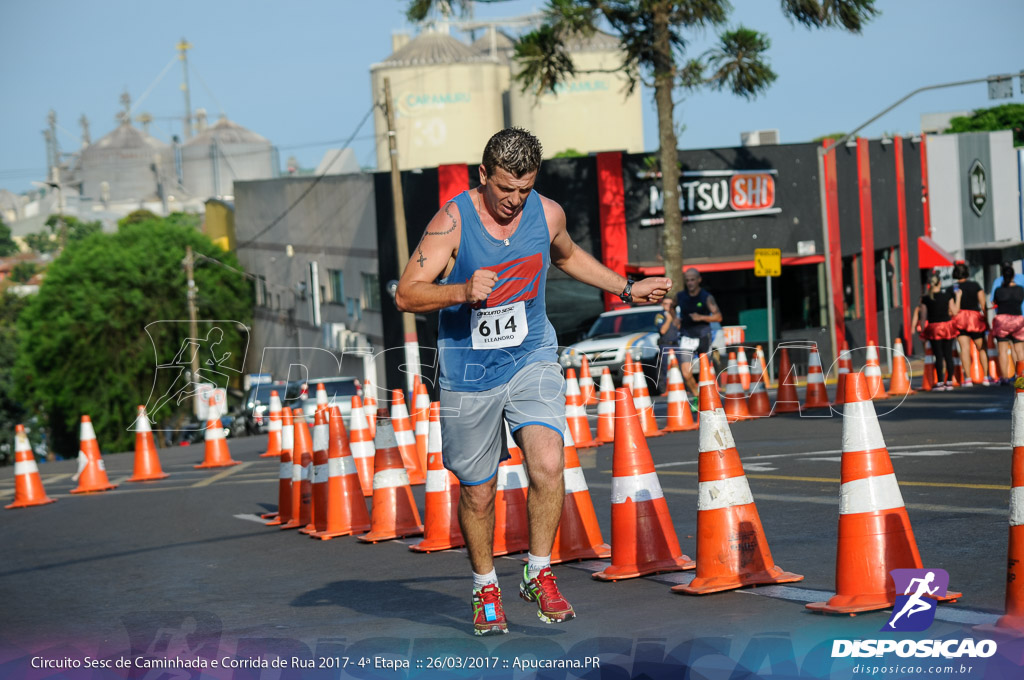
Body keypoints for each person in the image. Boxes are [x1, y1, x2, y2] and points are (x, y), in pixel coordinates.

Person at [394, 127, 671, 636]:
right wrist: (459, 289)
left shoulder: (546, 214)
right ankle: (485, 587)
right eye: (505, 189)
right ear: (484, 176)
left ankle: (537, 572)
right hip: (468, 370)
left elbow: (566, 255)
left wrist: (628, 289)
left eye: (524, 189)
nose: (514, 201)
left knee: (548, 462)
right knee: (479, 493)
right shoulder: (452, 222)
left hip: (531, 354)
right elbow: (407, 295)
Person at [675, 268, 722, 404]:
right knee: (685, 373)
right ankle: (696, 395)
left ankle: (708, 399)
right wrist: (675, 319)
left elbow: (718, 317)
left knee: (704, 372)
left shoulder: (706, 297)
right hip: (686, 336)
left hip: (703, 336)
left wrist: (700, 317)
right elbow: (671, 307)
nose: (690, 283)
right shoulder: (680, 296)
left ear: (699, 280)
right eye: (687, 280)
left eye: (693, 279)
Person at [912, 274, 958, 390]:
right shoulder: (947, 296)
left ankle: (940, 382)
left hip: (934, 328)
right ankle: (949, 382)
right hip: (947, 326)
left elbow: (923, 317)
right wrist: (959, 297)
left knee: (938, 355)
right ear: (940, 283)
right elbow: (954, 311)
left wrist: (922, 331)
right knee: (948, 355)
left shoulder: (926, 298)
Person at [950, 262, 988, 386]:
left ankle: (968, 378)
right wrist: (986, 320)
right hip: (974, 319)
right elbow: (983, 305)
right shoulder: (975, 285)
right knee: (981, 347)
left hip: (960, 319)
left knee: (964, 349)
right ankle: (986, 377)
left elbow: (951, 307)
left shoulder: (953, 288)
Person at [991, 262, 1024, 383]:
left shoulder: (999, 290)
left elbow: (994, 303)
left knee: (1003, 350)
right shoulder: (1020, 289)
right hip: (1018, 320)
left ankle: (1004, 377)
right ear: (1013, 276)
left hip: (1002, 320)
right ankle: (1021, 376)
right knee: (1019, 350)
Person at [655, 296, 681, 391]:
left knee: (679, 366)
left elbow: (679, 327)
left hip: (675, 344)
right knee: (664, 367)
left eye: (670, 304)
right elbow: (662, 330)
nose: (668, 306)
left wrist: (674, 317)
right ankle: (664, 389)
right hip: (665, 344)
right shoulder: (660, 316)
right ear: (662, 304)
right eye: (666, 303)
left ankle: (680, 386)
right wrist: (669, 319)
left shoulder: (674, 314)